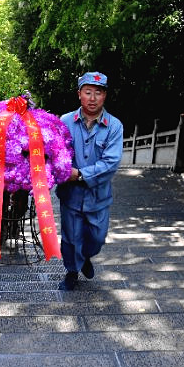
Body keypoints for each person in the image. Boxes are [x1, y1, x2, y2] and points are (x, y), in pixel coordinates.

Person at [56, 71, 124, 291]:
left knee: (97, 237)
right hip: (71, 195)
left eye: (98, 92)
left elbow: (111, 162)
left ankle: (85, 256)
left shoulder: (114, 126)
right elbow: (54, 152)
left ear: (105, 96)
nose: (92, 98)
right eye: (88, 92)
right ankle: (71, 271)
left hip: (98, 196)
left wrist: (80, 174)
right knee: (71, 237)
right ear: (79, 94)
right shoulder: (65, 121)